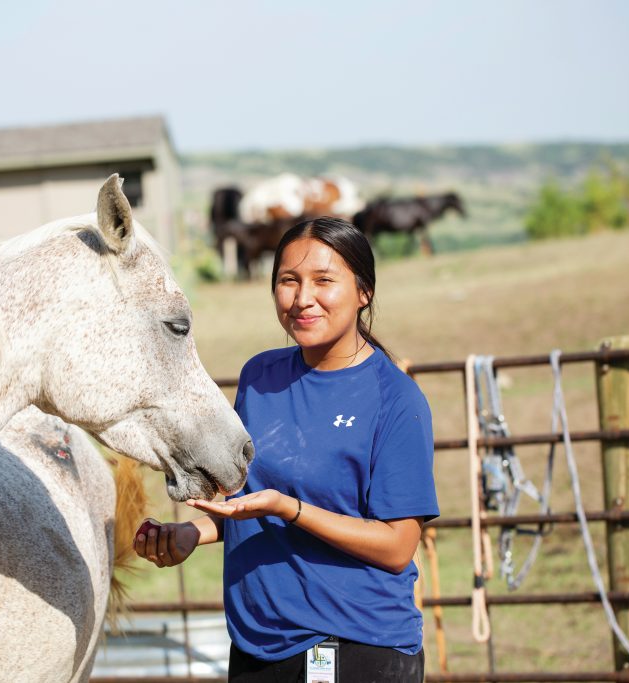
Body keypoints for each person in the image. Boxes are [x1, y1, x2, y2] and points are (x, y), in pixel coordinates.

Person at [134, 216, 439, 683]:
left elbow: (398, 547)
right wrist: (191, 534)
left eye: (324, 280)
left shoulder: (395, 399)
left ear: (364, 292)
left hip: (356, 645)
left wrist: (292, 509)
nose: (302, 298)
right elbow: (253, 501)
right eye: (287, 281)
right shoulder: (259, 377)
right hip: (257, 642)